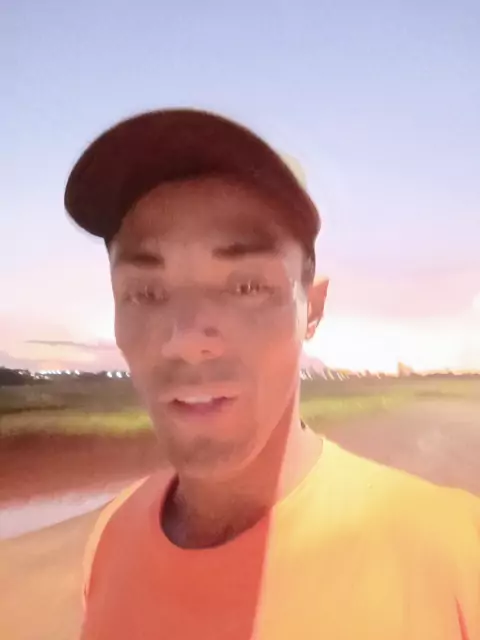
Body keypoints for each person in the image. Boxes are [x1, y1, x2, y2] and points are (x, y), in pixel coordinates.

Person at [64, 109, 480, 640]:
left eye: (246, 287)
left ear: (313, 309)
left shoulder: (454, 552)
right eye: (145, 292)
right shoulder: (112, 537)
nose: (186, 339)